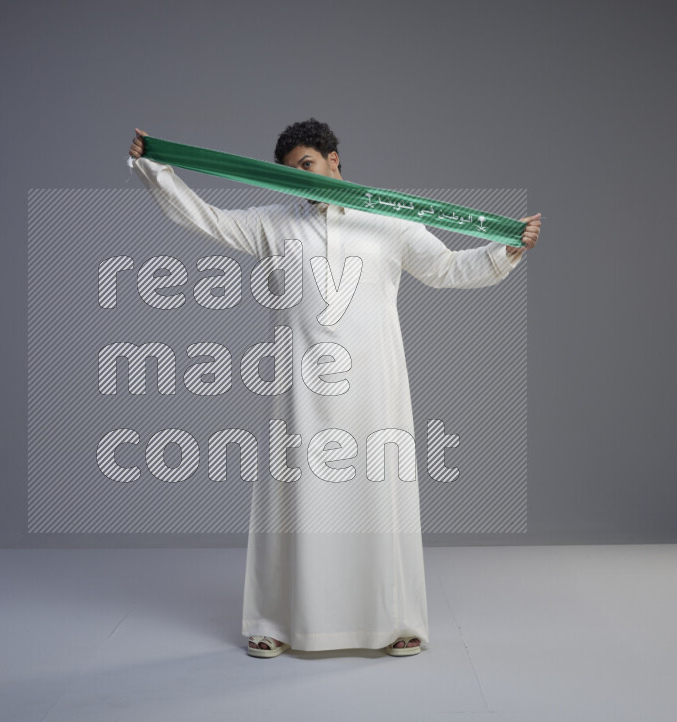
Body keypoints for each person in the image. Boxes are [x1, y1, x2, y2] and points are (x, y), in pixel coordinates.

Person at [127, 119, 540, 658]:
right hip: (300, 386)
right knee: (291, 500)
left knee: (379, 496)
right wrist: (155, 167)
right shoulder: (274, 223)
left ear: (333, 160)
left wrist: (502, 250)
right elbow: (206, 219)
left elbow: (443, 268)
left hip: (376, 386)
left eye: (308, 166)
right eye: (290, 174)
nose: (301, 179)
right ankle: (275, 620)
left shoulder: (388, 218)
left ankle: (396, 621)